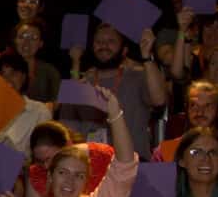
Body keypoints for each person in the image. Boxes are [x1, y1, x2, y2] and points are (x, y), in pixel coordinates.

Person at [67, 22, 172, 158]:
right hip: (92, 167)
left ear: (124, 50)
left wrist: (146, 56)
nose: (104, 46)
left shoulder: (139, 75)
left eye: (111, 41)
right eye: (99, 42)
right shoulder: (82, 82)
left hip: (133, 165)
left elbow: (159, 100)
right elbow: (68, 129)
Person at [155, 82, 218, 185]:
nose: (200, 112)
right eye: (194, 105)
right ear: (187, 108)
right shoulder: (164, 151)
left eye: (208, 106)